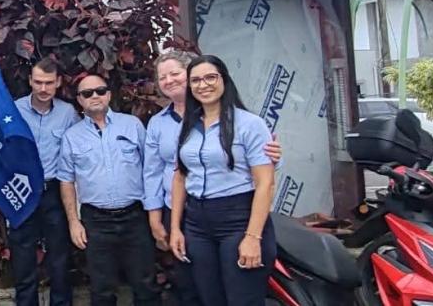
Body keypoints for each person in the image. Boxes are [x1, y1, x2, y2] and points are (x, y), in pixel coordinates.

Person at [142, 50, 282, 305]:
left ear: (224, 80)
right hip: (197, 223)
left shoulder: (250, 124)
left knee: (242, 299)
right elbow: (179, 177)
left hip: (237, 219)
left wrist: (253, 238)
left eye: (210, 77)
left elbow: (265, 184)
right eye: (196, 80)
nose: (203, 85)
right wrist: (176, 228)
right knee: (209, 298)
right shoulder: (188, 126)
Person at [0, 59, 78, 306]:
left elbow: (80, 147)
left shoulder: (68, 113)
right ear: (30, 81)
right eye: (38, 82)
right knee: (23, 258)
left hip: (53, 192)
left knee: (60, 259)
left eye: (49, 83)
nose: (43, 88)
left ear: (58, 83)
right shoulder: (14, 110)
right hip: (22, 192)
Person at [59, 75, 160, 306]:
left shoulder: (132, 125)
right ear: (79, 100)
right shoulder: (71, 137)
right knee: (102, 290)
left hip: (135, 217)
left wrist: (154, 213)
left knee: (146, 285)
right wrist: (74, 222)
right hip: (96, 221)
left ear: (109, 94)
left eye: (100, 90)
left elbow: (151, 169)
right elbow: (66, 181)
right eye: (87, 93)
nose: (95, 96)